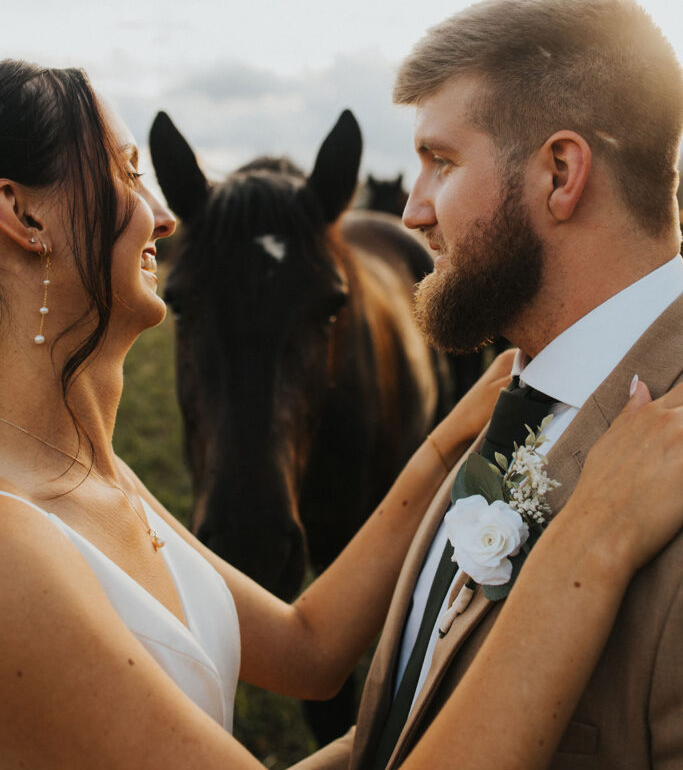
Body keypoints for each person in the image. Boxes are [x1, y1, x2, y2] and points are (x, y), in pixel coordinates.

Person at [0, 54, 681, 770]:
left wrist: (461, 433)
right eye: (127, 172)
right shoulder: (12, 544)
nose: (165, 217)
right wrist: (593, 539)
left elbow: (308, 650)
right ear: (21, 213)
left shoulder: (91, 474)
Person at [298, 0, 683, 770]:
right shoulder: (507, 393)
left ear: (559, 173)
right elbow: (397, 731)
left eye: (440, 162)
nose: (411, 211)